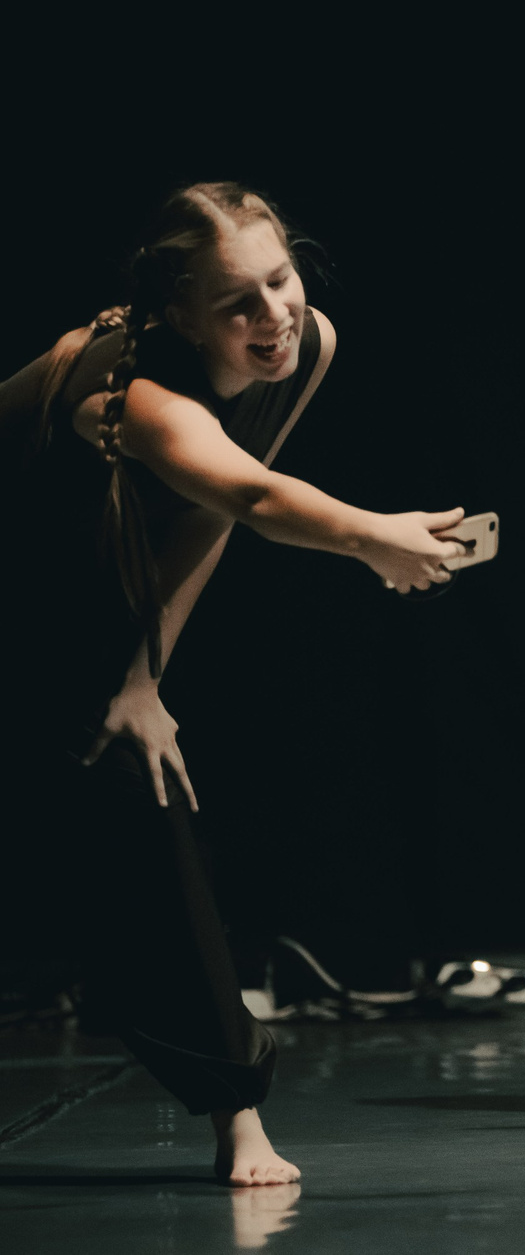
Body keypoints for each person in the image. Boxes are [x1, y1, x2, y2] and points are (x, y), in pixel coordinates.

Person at [0, 183, 468, 1187]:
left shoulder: (306, 346)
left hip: (61, 603)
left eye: (281, 281)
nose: (275, 318)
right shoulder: (122, 399)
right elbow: (251, 495)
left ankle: (235, 1119)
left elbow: (213, 516)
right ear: (179, 315)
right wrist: (376, 539)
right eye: (238, 306)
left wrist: (142, 676)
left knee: (147, 793)